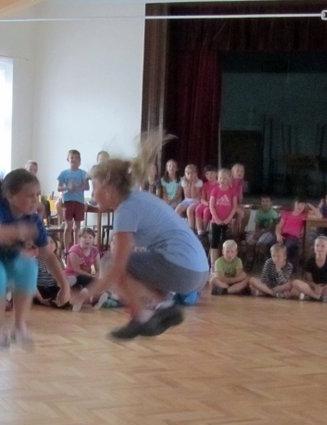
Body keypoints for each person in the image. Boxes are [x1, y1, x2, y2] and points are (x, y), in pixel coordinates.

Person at [74, 140, 209, 339]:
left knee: (109, 262)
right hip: (200, 271)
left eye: (94, 188)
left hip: (184, 270)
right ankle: (164, 305)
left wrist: (85, 294)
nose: (92, 194)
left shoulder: (126, 210)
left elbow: (116, 267)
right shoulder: (139, 198)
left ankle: (142, 316)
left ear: (109, 190)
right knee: (132, 266)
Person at [0, 168, 70, 348]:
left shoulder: (34, 220)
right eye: (30, 196)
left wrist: (64, 285)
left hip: (5, 266)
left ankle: (19, 327)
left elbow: (47, 255)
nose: (35, 200)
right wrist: (20, 231)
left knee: (28, 264)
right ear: (11, 196)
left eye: (37, 195)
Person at [292, 235, 327, 303]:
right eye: (317, 245)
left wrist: (322, 288)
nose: (319, 249)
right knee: (295, 282)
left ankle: (314, 295)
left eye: (323, 246)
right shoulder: (310, 262)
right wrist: (315, 287)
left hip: (325, 288)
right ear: (314, 247)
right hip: (313, 287)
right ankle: (317, 296)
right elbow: (309, 281)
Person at [275, 198, 320, 268]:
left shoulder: (303, 215)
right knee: (271, 244)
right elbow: (279, 226)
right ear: (294, 204)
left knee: (287, 247)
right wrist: (278, 235)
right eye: (298, 204)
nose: (300, 206)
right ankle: (274, 266)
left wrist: (310, 205)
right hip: (282, 235)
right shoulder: (287, 213)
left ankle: (284, 267)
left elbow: (319, 216)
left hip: (293, 237)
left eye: (302, 205)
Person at [57, 149, 89, 248]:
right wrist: (68, 187)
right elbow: (59, 188)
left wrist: (77, 186)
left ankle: (76, 248)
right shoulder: (63, 173)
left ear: (80, 161)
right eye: (72, 158)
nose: (74, 160)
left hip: (79, 202)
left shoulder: (83, 173)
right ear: (68, 159)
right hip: (68, 202)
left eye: (76, 158)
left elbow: (87, 187)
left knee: (77, 227)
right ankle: (66, 250)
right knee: (68, 225)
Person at [208, 168, 239, 266]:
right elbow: (211, 206)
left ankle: (225, 264)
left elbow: (234, 207)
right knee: (215, 241)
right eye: (220, 178)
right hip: (216, 221)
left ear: (229, 179)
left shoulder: (232, 191)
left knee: (226, 243)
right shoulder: (215, 190)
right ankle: (213, 264)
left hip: (227, 221)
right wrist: (216, 219)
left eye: (225, 178)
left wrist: (228, 219)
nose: (222, 180)